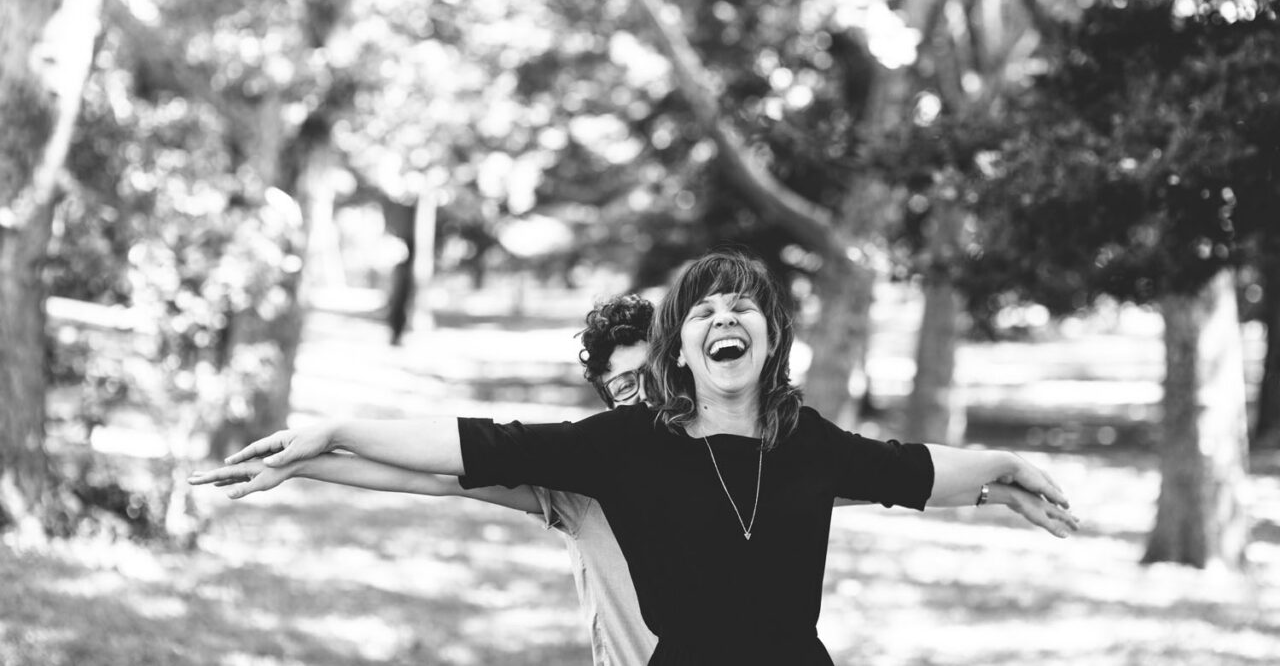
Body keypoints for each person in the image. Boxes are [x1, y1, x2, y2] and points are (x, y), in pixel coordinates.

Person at [201, 248, 1080, 665]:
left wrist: (999, 471)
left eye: (744, 308)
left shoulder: (804, 445)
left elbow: (907, 470)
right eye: (701, 312)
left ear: (772, 339)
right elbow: (461, 452)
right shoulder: (612, 456)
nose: (723, 319)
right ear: (679, 353)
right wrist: (328, 436)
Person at [193, 294, 660, 666]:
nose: (644, 398)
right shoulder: (582, 485)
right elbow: (439, 475)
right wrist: (302, 463)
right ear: (607, 406)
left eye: (651, 375)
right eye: (624, 387)